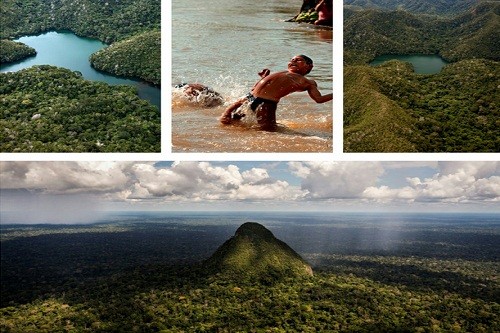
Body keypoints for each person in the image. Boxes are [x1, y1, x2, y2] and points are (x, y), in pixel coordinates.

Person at [219, 55, 333, 131]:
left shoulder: (307, 82)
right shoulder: (282, 73)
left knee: (268, 131)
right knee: (227, 122)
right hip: (248, 98)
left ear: (309, 66)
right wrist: (263, 78)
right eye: (292, 59)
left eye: (298, 60)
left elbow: (319, 99)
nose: (293, 61)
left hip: (267, 104)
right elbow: (255, 89)